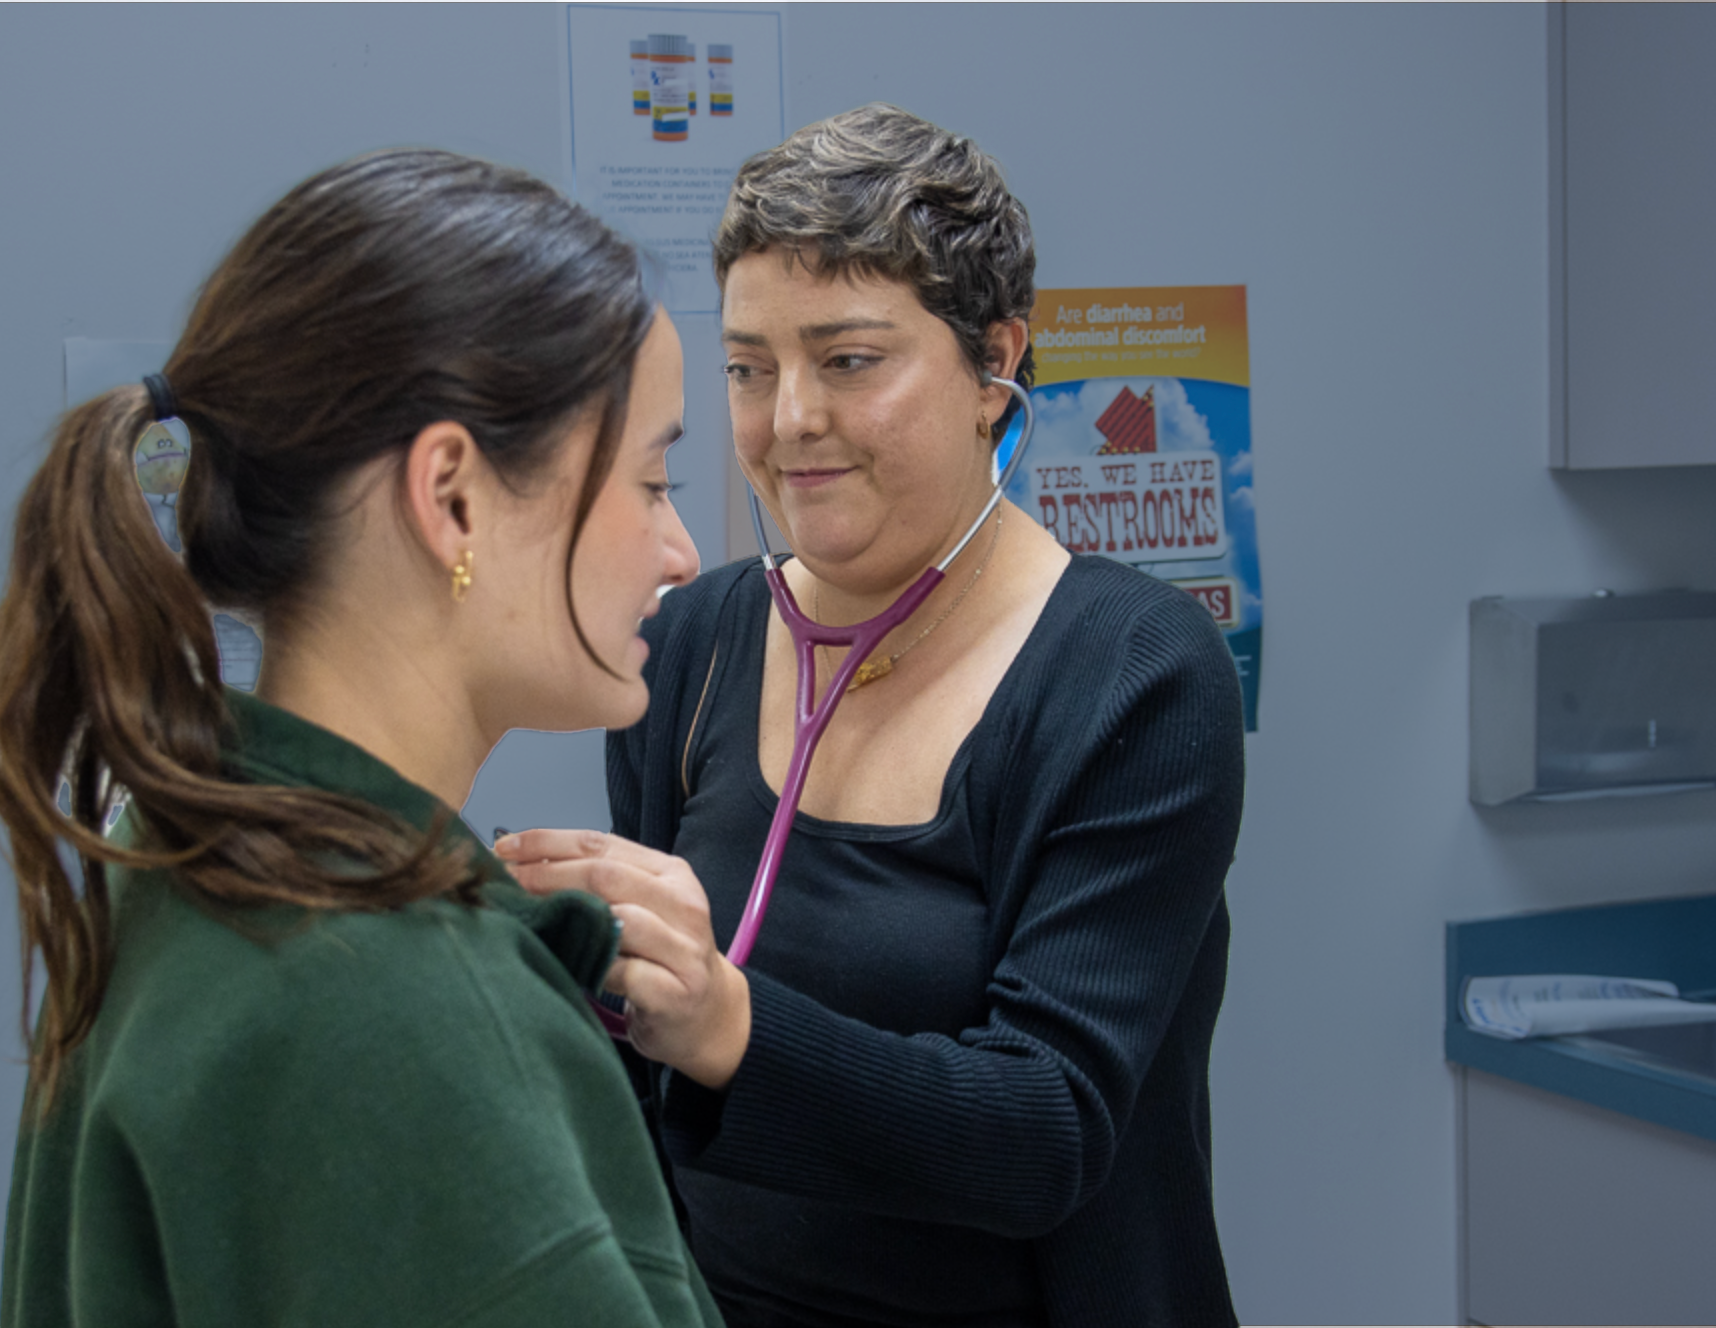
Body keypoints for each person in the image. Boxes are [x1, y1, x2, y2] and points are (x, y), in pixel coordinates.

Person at [495, 105, 1246, 1326]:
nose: (789, 417)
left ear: (995, 365)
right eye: (749, 366)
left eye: (848, 359)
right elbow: (646, 1097)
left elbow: (1048, 1128)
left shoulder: (1135, 674)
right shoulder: (693, 644)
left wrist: (726, 1019)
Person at [0, 148, 720, 1327]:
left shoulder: (178, 848)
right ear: (453, 495)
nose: (681, 551)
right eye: (652, 475)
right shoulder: (413, 1023)